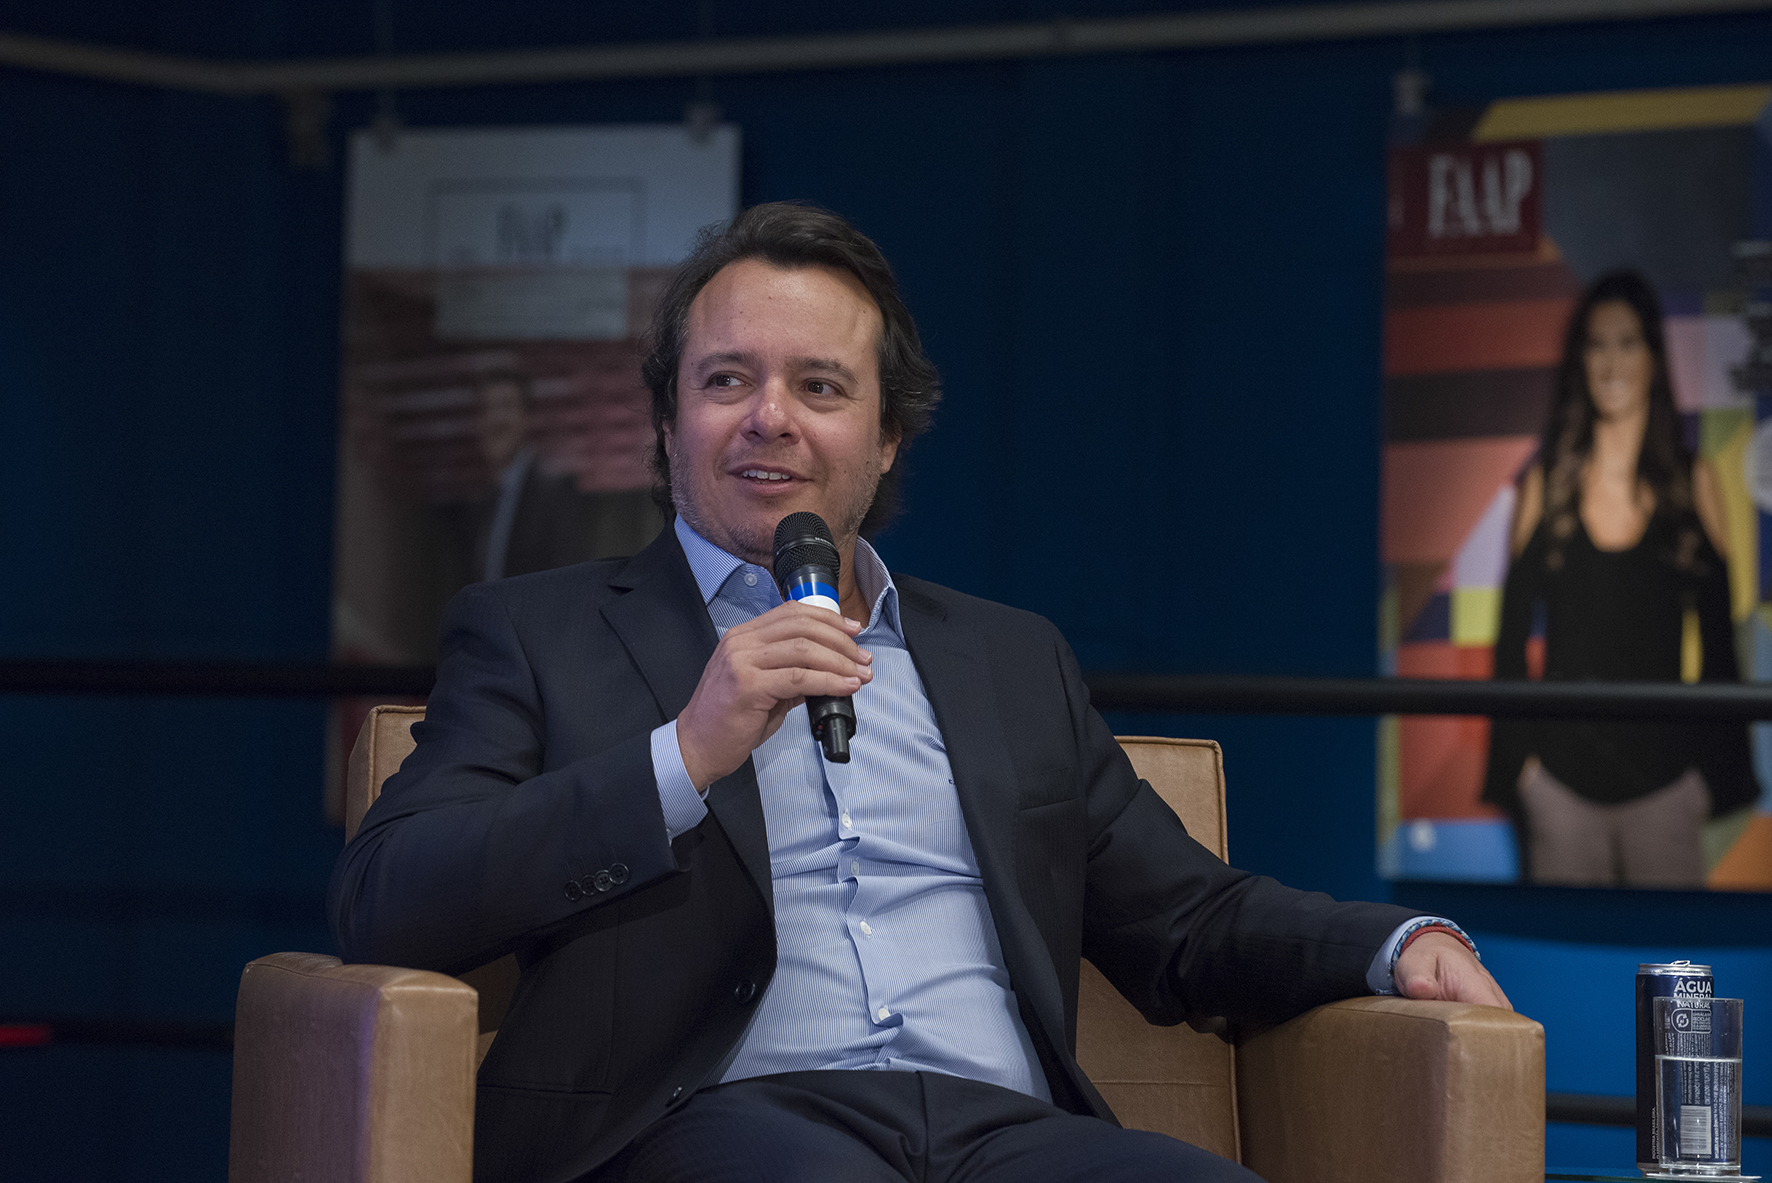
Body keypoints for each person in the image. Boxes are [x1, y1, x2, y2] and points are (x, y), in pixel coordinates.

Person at [331, 202, 1509, 1183]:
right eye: (727, 379)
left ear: (887, 434)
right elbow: (389, 899)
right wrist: (682, 753)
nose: (768, 418)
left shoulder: (1008, 658)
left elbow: (1187, 920)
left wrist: (1393, 941)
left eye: (819, 386)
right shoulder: (537, 633)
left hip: (1005, 1132)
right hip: (715, 1127)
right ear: (667, 417)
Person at [1483, 270, 1757, 887]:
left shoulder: (1693, 481)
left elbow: (1720, 642)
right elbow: (1510, 644)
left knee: (1676, 951)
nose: (1611, 363)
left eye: (1628, 343)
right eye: (1597, 344)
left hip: (1668, 788)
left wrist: (1713, 775)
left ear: (1653, 355)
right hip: (1559, 790)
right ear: (1579, 359)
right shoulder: (1545, 485)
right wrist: (1521, 771)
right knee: (1558, 954)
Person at [442, 368, 662, 585]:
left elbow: (568, 576)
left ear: (525, 417)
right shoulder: (481, 503)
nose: (496, 418)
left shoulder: (554, 492)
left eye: (506, 406)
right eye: (487, 409)